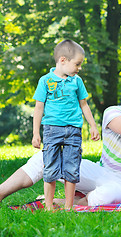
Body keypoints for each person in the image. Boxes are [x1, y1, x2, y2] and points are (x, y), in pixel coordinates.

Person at [31, 40, 100, 210]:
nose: (79, 68)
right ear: (63, 60)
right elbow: (39, 108)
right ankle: (48, 207)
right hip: (52, 130)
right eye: (77, 64)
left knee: (71, 169)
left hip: (73, 131)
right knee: (50, 170)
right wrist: (36, 133)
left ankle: (68, 208)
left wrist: (92, 125)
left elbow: (84, 104)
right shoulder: (45, 81)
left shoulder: (76, 81)